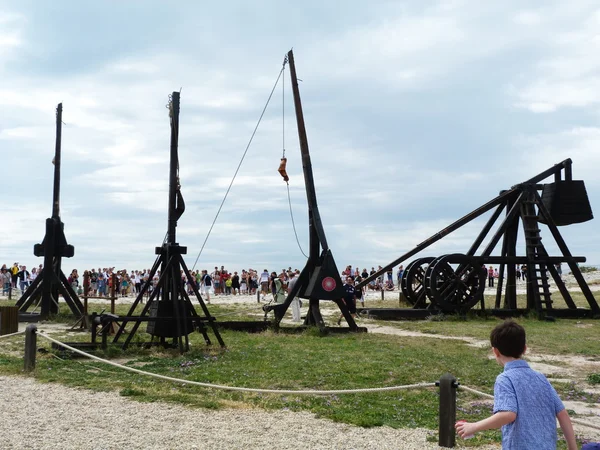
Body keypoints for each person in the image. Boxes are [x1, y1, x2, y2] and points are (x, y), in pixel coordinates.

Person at [455, 321, 576, 450]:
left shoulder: (505, 379)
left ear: (495, 351)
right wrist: (573, 448)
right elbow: (562, 414)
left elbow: (508, 414)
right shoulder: (541, 378)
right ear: (524, 348)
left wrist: (474, 426)